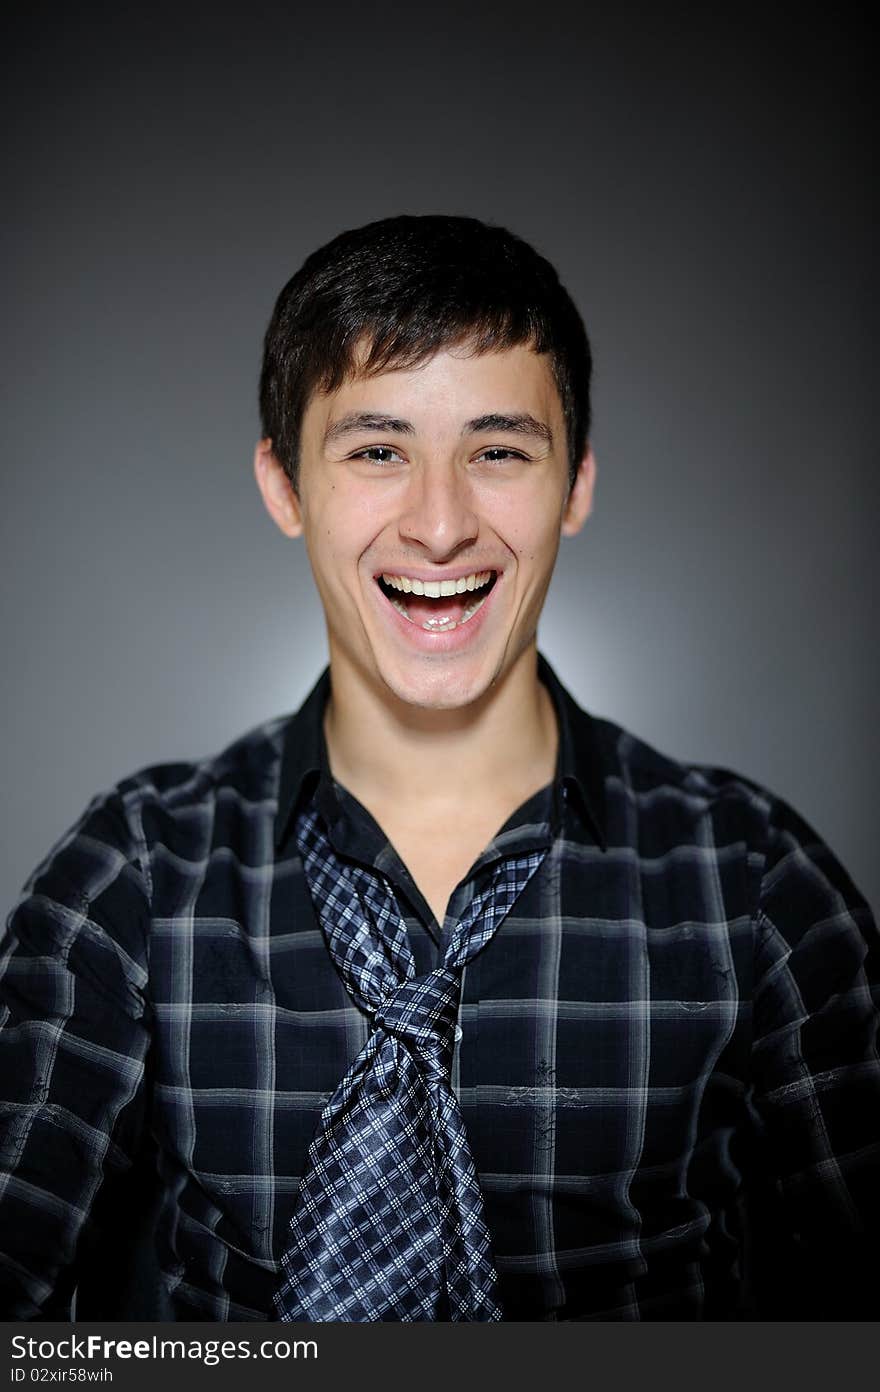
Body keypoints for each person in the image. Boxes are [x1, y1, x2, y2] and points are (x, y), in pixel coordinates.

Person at [1, 216, 876, 1323]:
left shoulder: (751, 885)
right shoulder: (130, 880)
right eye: (377, 451)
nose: (441, 523)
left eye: (498, 451)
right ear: (284, 487)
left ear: (576, 485)